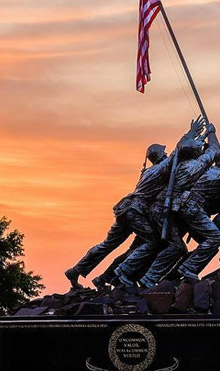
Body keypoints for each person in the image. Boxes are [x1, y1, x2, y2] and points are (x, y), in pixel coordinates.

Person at [64, 118, 205, 289]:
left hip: (126, 209)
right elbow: (178, 152)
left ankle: (76, 270)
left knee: (107, 244)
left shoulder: (148, 172)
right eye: (164, 153)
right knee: (152, 241)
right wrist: (192, 133)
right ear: (159, 156)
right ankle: (122, 272)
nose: (167, 155)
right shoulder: (159, 169)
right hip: (135, 211)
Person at [137, 123, 220, 287]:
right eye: (199, 147)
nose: (201, 147)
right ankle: (159, 275)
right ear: (195, 153)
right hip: (170, 209)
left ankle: (157, 276)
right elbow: (214, 151)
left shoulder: (176, 163)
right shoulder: (192, 167)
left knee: (176, 246)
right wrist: (211, 134)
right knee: (211, 238)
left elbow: (179, 149)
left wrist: (192, 134)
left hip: (170, 208)